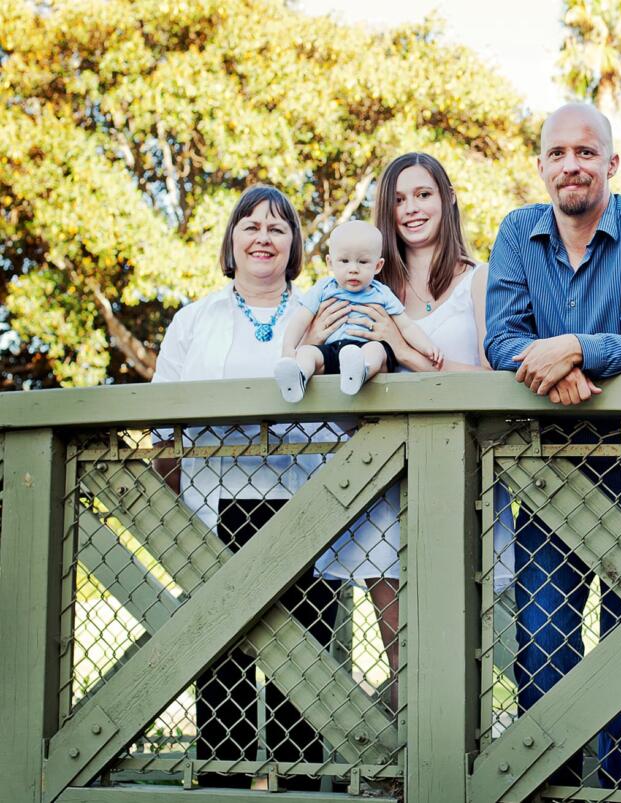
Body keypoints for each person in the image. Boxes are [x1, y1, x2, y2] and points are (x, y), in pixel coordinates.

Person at [483, 102, 621, 790]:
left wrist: (572, 347)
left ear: (610, 163)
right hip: (550, 467)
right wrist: (560, 366)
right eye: (558, 153)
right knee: (543, 641)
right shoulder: (517, 232)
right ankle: (556, 784)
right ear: (542, 164)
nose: (571, 164)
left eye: (586, 151)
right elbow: (501, 337)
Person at [152, 185, 344, 791]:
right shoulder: (194, 319)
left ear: (294, 246)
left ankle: (303, 782)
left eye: (278, 228)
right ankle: (223, 779)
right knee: (224, 657)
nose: (263, 236)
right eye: (250, 226)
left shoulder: (322, 310)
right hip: (215, 506)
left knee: (304, 658)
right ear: (232, 241)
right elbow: (164, 427)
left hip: (305, 506)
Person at [313, 152, 512, 692]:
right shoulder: (367, 287)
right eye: (398, 199)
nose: (411, 208)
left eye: (423, 194)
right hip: (382, 478)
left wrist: (406, 351)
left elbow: (497, 379)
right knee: (401, 645)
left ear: (446, 199)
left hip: (462, 479)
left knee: (461, 638)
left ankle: (466, 770)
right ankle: (405, 771)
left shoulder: (481, 280)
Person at [274, 220, 440, 402]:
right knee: (306, 352)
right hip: (332, 349)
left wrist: (426, 347)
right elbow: (300, 320)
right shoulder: (323, 288)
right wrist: (289, 348)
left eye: (363, 262)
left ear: (377, 266)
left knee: (376, 349)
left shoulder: (381, 293)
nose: (353, 269)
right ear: (330, 262)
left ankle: (362, 371)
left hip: (365, 347)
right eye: (344, 261)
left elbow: (406, 326)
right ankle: (298, 376)